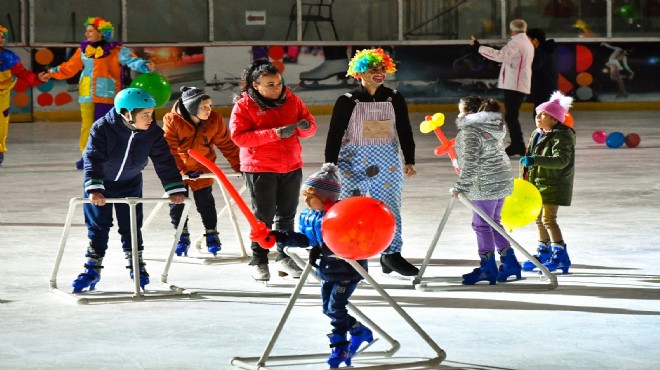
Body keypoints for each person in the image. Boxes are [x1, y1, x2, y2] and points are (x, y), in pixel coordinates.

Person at [72, 87, 186, 293]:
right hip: (101, 185)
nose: (151, 119)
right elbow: (92, 158)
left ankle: (137, 264)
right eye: (145, 115)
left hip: (130, 183)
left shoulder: (152, 133)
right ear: (126, 114)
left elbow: (164, 162)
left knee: (132, 226)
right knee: (98, 226)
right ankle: (92, 268)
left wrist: (174, 189)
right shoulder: (102, 128)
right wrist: (94, 188)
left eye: (152, 113)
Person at [325, 48, 419, 277]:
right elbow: (335, 133)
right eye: (372, 69)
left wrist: (409, 158)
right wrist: (330, 164)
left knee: (389, 207)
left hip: (387, 161)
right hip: (352, 163)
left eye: (381, 69)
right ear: (359, 73)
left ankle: (391, 254)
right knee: (350, 208)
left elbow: (404, 129)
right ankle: (349, 253)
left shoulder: (394, 97)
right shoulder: (347, 101)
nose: (378, 73)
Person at [270, 163, 374, 368]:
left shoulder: (341, 216)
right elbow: (306, 239)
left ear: (327, 198)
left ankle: (341, 347)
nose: (307, 202)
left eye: (312, 197)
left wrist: (323, 249)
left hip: (347, 269)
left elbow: (347, 241)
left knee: (335, 306)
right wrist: (281, 237)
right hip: (326, 270)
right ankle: (358, 330)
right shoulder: (311, 216)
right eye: (305, 197)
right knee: (328, 309)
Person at [229, 59, 317, 282]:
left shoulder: (292, 100)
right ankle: (258, 259)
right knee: (263, 217)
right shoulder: (244, 105)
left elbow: (309, 126)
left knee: (286, 215)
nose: (277, 88)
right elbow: (239, 137)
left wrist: (306, 128)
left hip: (291, 165)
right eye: (270, 84)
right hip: (260, 167)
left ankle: (283, 257)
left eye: (278, 83)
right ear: (256, 85)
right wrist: (274, 134)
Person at [45, 17, 154, 169]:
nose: (87, 33)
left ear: (101, 33)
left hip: (107, 94)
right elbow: (69, 68)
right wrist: (51, 73)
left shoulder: (117, 50)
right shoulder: (83, 50)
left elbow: (132, 61)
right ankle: (87, 157)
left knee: (105, 127)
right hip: (87, 94)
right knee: (87, 127)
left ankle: (108, 157)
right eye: (87, 31)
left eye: (90, 31)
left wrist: (144, 65)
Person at [163, 86, 241, 257]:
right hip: (179, 169)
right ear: (191, 107)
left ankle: (211, 233)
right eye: (204, 107)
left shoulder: (214, 120)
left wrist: (239, 165)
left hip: (203, 167)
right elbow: (169, 150)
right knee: (177, 203)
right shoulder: (172, 120)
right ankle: (181, 235)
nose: (209, 110)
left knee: (205, 202)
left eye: (210, 106)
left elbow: (226, 144)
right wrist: (182, 170)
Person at [451, 97, 517, 285]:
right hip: (501, 180)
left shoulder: (470, 132)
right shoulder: (494, 127)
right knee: (494, 222)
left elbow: (471, 163)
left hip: (485, 184)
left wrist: (461, 186)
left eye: (462, 111)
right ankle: (510, 262)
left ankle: (487, 267)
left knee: (482, 225)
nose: (459, 115)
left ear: (472, 113)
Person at [519, 91, 575, 274]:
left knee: (548, 219)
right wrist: (524, 181)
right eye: (537, 113)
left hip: (554, 184)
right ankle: (544, 252)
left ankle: (560, 256)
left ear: (555, 119)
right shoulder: (538, 133)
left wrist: (535, 160)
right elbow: (529, 158)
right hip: (537, 183)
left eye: (543, 114)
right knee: (538, 218)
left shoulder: (562, 136)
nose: (538, 116)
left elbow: (561, 161)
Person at [471, 19, 534, 156]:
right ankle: (517, 144)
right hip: (517, 83)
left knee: (512, 116)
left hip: (515, 85)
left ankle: (518, 145)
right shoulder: (524, 42)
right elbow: (511, 59)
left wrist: (479, 48)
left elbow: (501, 56)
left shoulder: (517, 42)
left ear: (512, 30)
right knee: (511, 116)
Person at [0, 24, 50, 167]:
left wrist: (38, 79)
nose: (0, 39)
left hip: (2, 96)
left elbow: (24, 75)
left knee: (1, 125)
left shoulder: (8, 57)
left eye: (2, 37)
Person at [527, 28, 558, 120]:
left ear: (535, 40)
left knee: (540, 115)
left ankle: (545, 133)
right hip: (548, 86)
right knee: (543, 115)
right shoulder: (547, 50)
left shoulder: (541, 52)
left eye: (528, 39)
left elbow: (536, 66)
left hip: (543, 88)